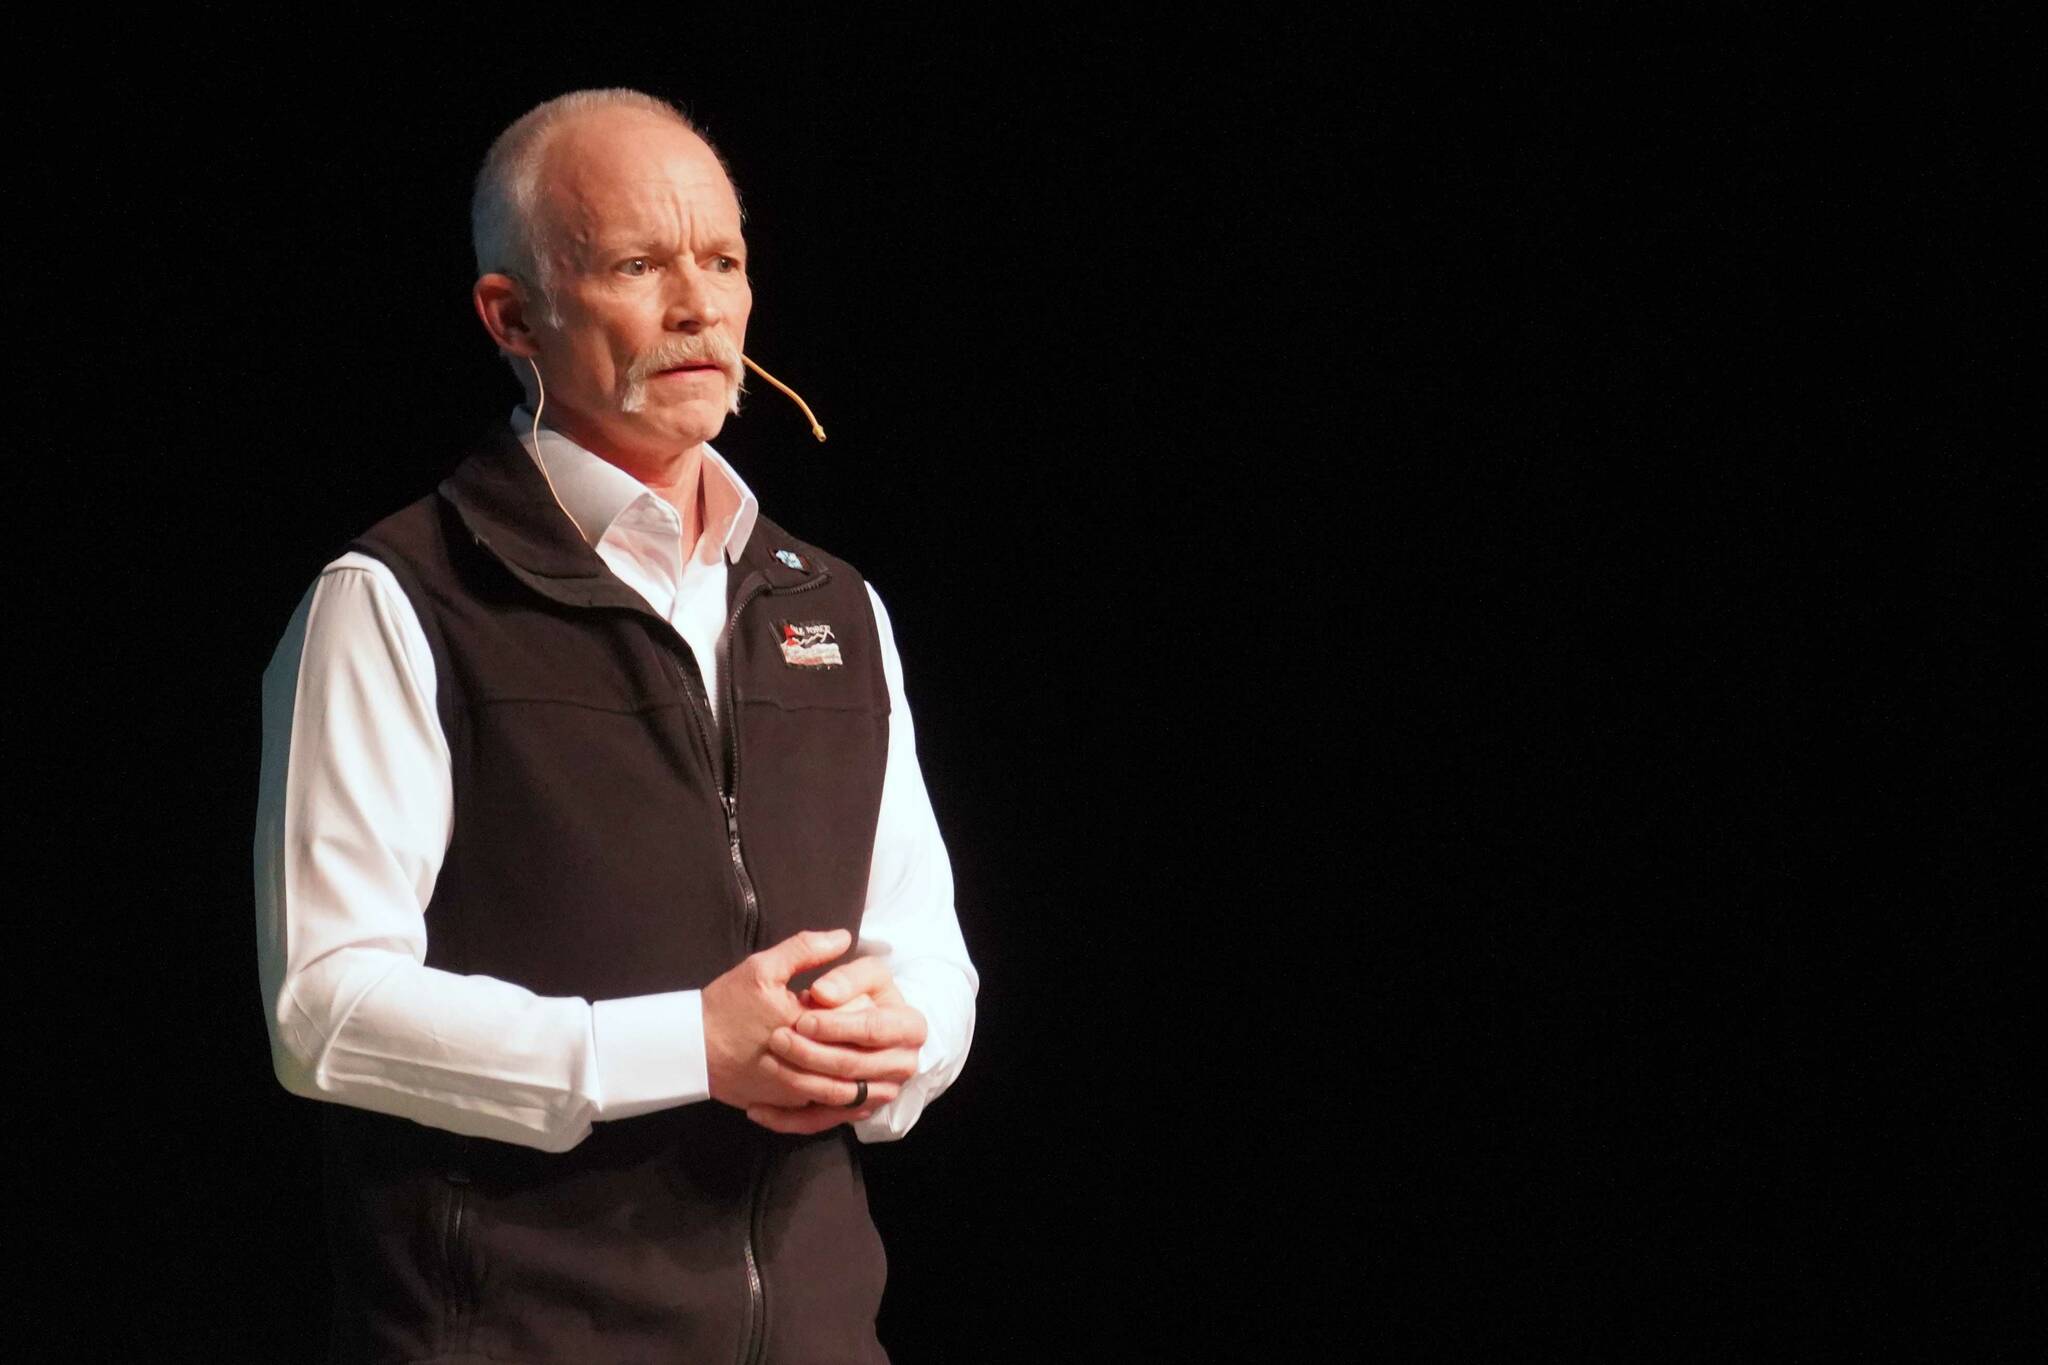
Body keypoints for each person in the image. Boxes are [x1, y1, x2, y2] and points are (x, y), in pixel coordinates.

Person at [254, 88, 976, 1363]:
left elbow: (932, 961)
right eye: (640, 265)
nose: (698, 306)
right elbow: (327, 1010)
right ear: (510, 314)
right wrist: (687, 1045)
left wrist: (898, 1038)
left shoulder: (834, 608)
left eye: (723, 260)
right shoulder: (401, 598)